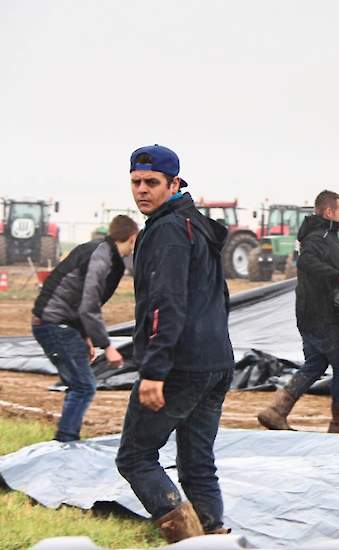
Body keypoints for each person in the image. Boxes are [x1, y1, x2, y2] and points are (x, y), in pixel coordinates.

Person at [115, 145, 235, 542]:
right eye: (136, 182)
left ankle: (187, 539)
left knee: (135, 456)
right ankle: (214, 536)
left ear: (175, 183)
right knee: (198, 461)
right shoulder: (196, 224)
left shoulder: (167, 231)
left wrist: (153, 370)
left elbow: (165, 304)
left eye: (152, 182)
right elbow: (219, 297)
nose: (142, 190)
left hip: (181, 365)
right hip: (216, 361)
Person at [257, 190, 339, 436]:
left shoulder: (323, 236)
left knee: (316, 363)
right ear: (329, 212)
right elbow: (306, 262)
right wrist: (337, 276)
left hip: (311, 314)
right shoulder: (318, 238)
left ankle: (276, 411)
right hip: (324, 316)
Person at [31, 215, 139, 442]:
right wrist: (107, 346)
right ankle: (65, 441)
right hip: (54, 324)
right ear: (132, 238)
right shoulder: (101, 257)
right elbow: (88, 306)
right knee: (83, 386)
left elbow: (79, 299)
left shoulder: (101, 252)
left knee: (79, 385)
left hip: (59, 322)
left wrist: (86, 337)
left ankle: (67, 438)